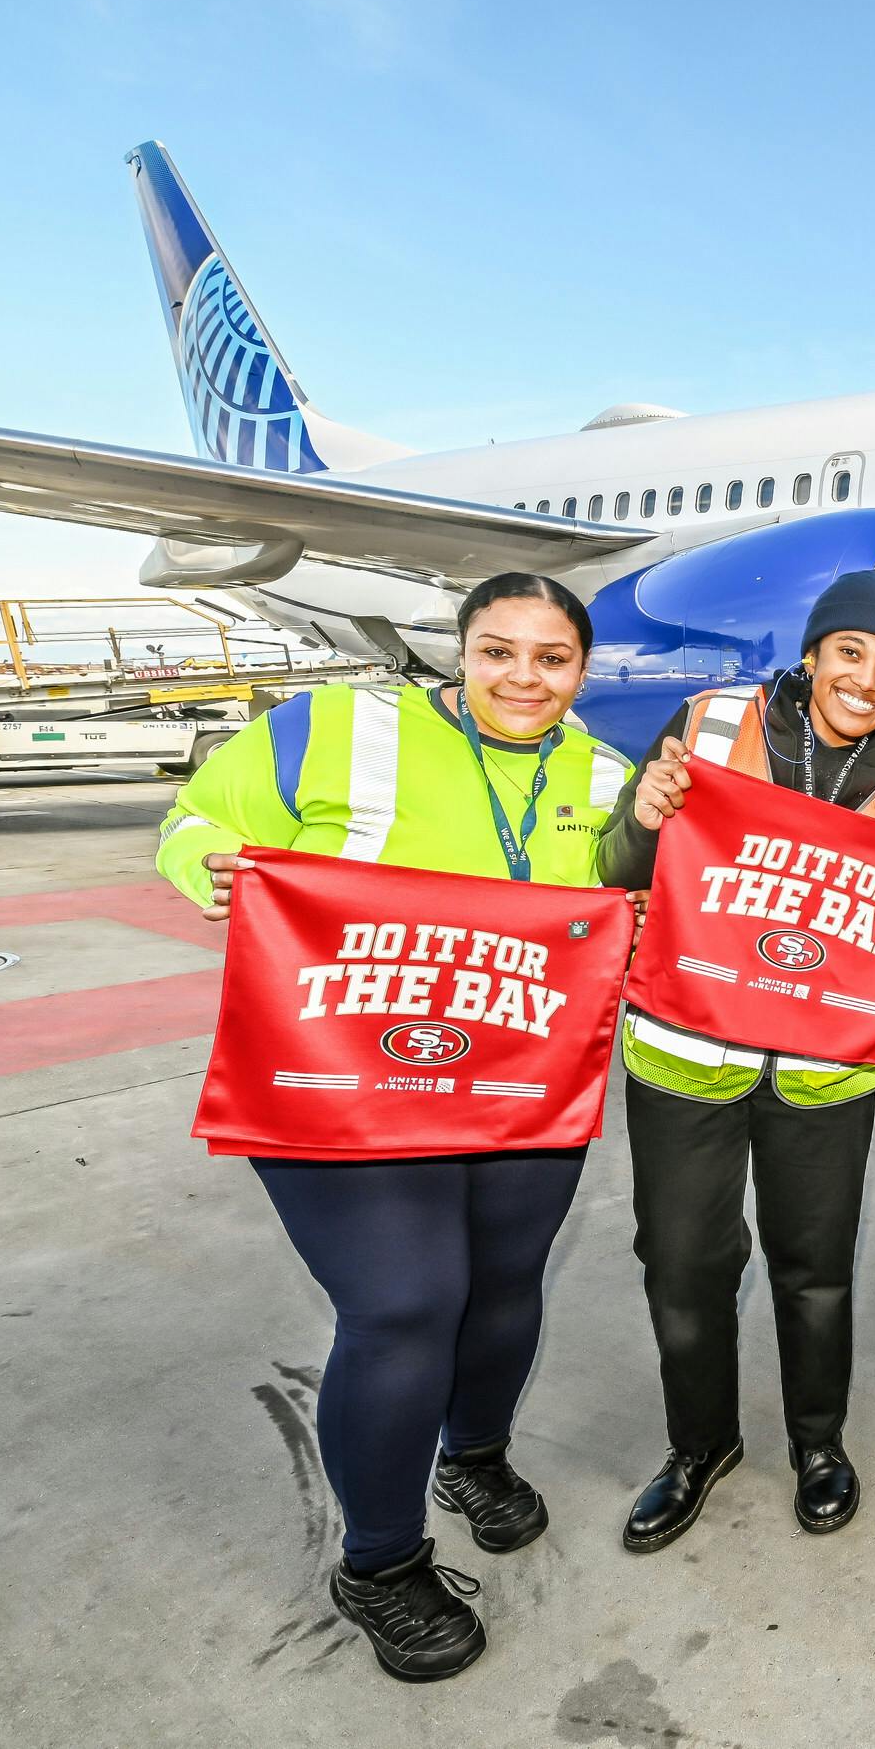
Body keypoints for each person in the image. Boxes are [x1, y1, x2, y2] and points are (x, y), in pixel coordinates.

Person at [154, 573, 632, 1682]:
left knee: (507, 1285)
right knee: (407, 1300)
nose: (523, 678)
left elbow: (625, 913)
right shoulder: (335, 726)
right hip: (339, 1074)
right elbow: (194, 819)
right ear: (459, 652)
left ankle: (473, 1455)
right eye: (497, 651)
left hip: (516, 1076)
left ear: (581, 668)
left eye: (550, 659)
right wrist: (205, 869)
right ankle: (378, 1559)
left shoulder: (603, 775)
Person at [597, 570, 875, 1552]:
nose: (867, 678)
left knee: (814, 1267)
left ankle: (819, 1443)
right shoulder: (709, 719)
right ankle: (701, 1446)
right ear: (815, 651)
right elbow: (617, 870)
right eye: (852, 651)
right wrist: (642, 820)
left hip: (823, 1074)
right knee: (685, 1263)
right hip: (688, 1054)